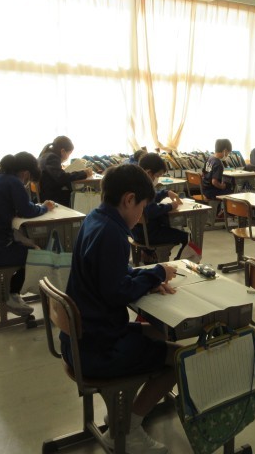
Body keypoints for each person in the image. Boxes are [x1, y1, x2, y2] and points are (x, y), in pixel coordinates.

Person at [63, 163, 178, 454]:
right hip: (99, 348)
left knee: (158, 333)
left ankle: (121, 411)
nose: (141, 216)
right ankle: (127, 428)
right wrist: (157, 273)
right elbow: (116, 293)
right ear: (129, 199)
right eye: (142, 208)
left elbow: (115, 274)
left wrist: (147, 278)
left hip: (80, 339)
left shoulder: (95, 219)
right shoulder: (112, 234)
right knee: (182, 358)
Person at [0, 152, 55, 316]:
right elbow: (28, 210)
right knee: (38, 255)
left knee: (28, 245)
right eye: (28, 179)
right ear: (25, 173)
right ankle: (10, 293)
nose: (26, 183)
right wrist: (45, 207)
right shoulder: (13, 182)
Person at [132, 153, 188, 263]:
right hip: (148, 235)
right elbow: (151, 211)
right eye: (157, 176)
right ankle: (179, 262)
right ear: (149, 173)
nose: (156, 179)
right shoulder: (144, 187)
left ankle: (149, 254)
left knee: (166, 224)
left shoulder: (136, 184)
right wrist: (170, 206)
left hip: (136, 233)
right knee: (186, 237)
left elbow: (151, 198)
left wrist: (165, 193)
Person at [38, 136, 93, 207]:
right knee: (81, 194)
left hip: (46, 193)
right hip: (51, 196)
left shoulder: (45, 155)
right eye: (69, 153)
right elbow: (61, 177)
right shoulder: (52, 158)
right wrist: (84, 173)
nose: (68, 156)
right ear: (63, 151)